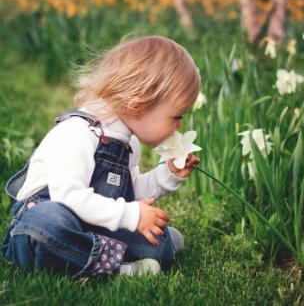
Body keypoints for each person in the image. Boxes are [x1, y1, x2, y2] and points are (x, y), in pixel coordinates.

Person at [2, 35, 201, 278]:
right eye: (176, 116)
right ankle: (117, 269)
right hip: (46, 222)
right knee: (47, 223)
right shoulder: (78, 133)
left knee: (160, 248)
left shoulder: (128, 143)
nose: (179, 126)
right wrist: (131, 215)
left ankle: (100, 251)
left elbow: (129, 193)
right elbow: (68, 197)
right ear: (138, 105)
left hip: (92, 223)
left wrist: (168, 174)